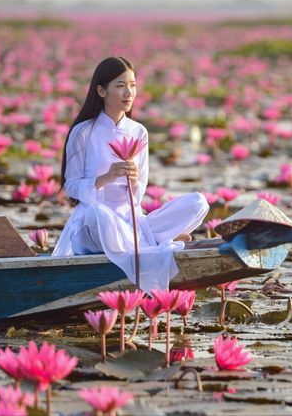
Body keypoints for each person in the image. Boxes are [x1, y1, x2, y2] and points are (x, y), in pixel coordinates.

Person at [52, 56, 209, 291]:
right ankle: (157, 246)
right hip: (93, 224)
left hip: (132, 222)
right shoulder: (83, 132)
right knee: (100, 216)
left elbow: (139, 193)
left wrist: (134, 181)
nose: (129, 93)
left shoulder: (138, 132)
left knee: (198, 202)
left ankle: (153, 242)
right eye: (120, 86)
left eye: (133, 85)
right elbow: (72, 186)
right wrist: (105, 178)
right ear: (101, 91)